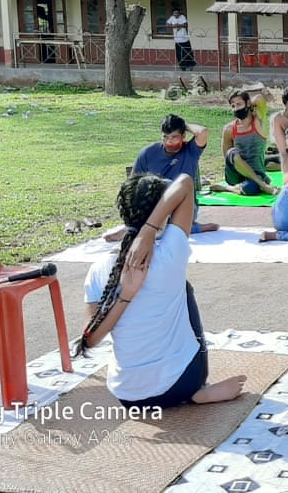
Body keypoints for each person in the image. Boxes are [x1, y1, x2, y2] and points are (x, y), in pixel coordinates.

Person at [78, 173, 247, 409]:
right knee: (184, 289)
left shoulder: (99, 268)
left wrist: (124, 298)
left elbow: (90, 338)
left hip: (128, 395)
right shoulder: (170, 253)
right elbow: (185, 183)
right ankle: (199, 392)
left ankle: (191, 392)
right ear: (163, 212)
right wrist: (150, 230)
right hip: (183, 383)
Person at [127, 114, 220, 234]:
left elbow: (202, 132)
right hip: (154, 206)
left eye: (174, 137)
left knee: (169, 185)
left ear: (183, 136)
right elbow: (133, 185)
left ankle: (160, 227)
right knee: (157, 187)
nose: (169, 141)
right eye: (165, 137)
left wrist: (182, 124)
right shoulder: (148, 153)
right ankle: (190, 228)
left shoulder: (190, 151)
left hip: (184, 207)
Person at [211, 89, 277, 196]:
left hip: (257, 171)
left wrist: (248, 102)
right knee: (233, 152)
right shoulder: (229, 129)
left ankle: (231, 188)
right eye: (233, 106)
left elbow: (260, 99)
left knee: (250, 188)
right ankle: (262, 184)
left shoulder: (258, 121)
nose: (236, 108)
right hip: (237, 174)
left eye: (239, 104)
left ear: (248, 103)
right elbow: (227, 156)